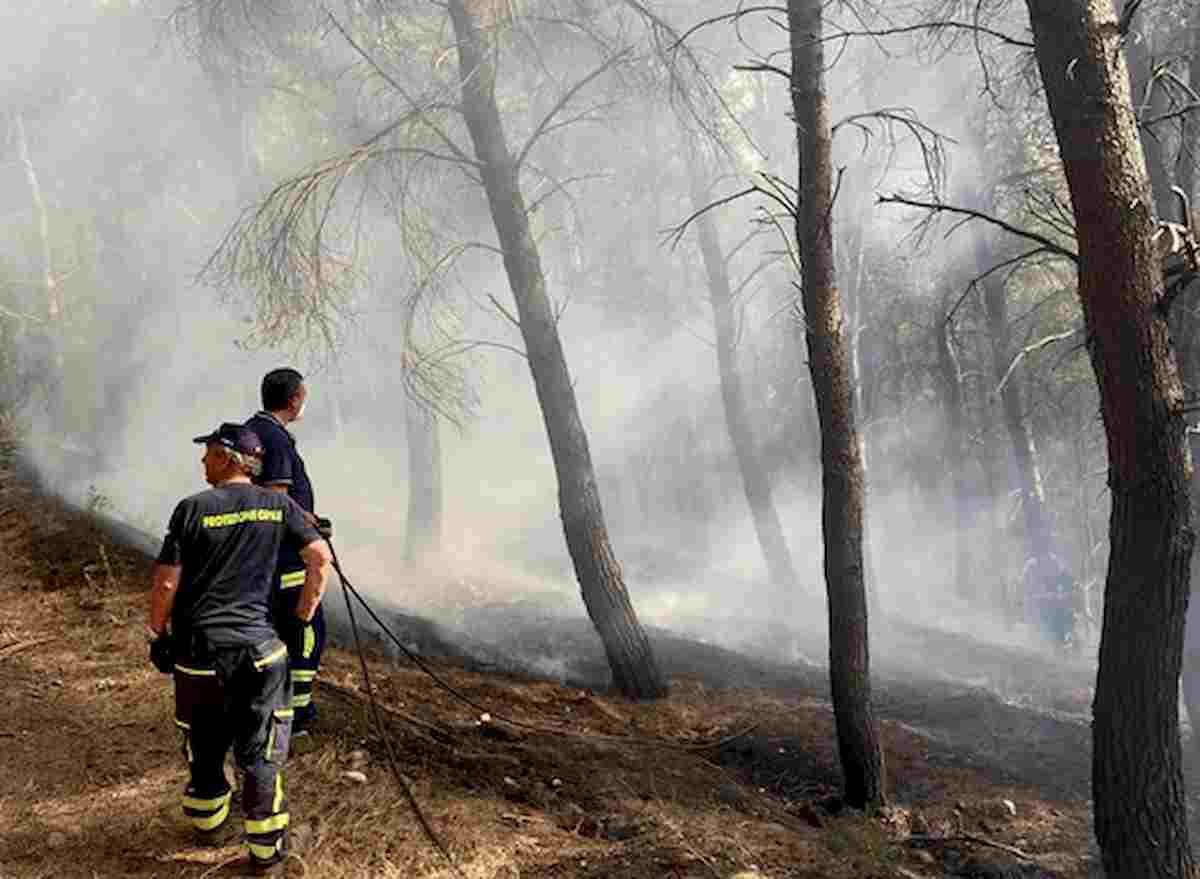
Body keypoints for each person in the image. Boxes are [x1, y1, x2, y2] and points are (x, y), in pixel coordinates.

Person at [148, 423, 331, 875]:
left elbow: (167, 580)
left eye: (208, 453)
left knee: (204, 742)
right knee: (260, 751)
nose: (202, 462)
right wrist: (299, 618)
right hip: (260, 652)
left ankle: (207, 822)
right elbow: (320, 559)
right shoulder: (278, 505)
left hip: (199, 655)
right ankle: (267, 853)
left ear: (229, 458)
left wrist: (158, 634)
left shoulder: (191, 509)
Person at [245, 368, 325, 743]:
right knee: (306, 631)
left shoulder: (251, 430)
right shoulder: (275, 439)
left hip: (262, 556)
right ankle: (298, 717)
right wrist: (308, 526)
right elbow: (277, 498)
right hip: (286, 558)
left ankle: (270, 709)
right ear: (294, 398)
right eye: (303, 395)